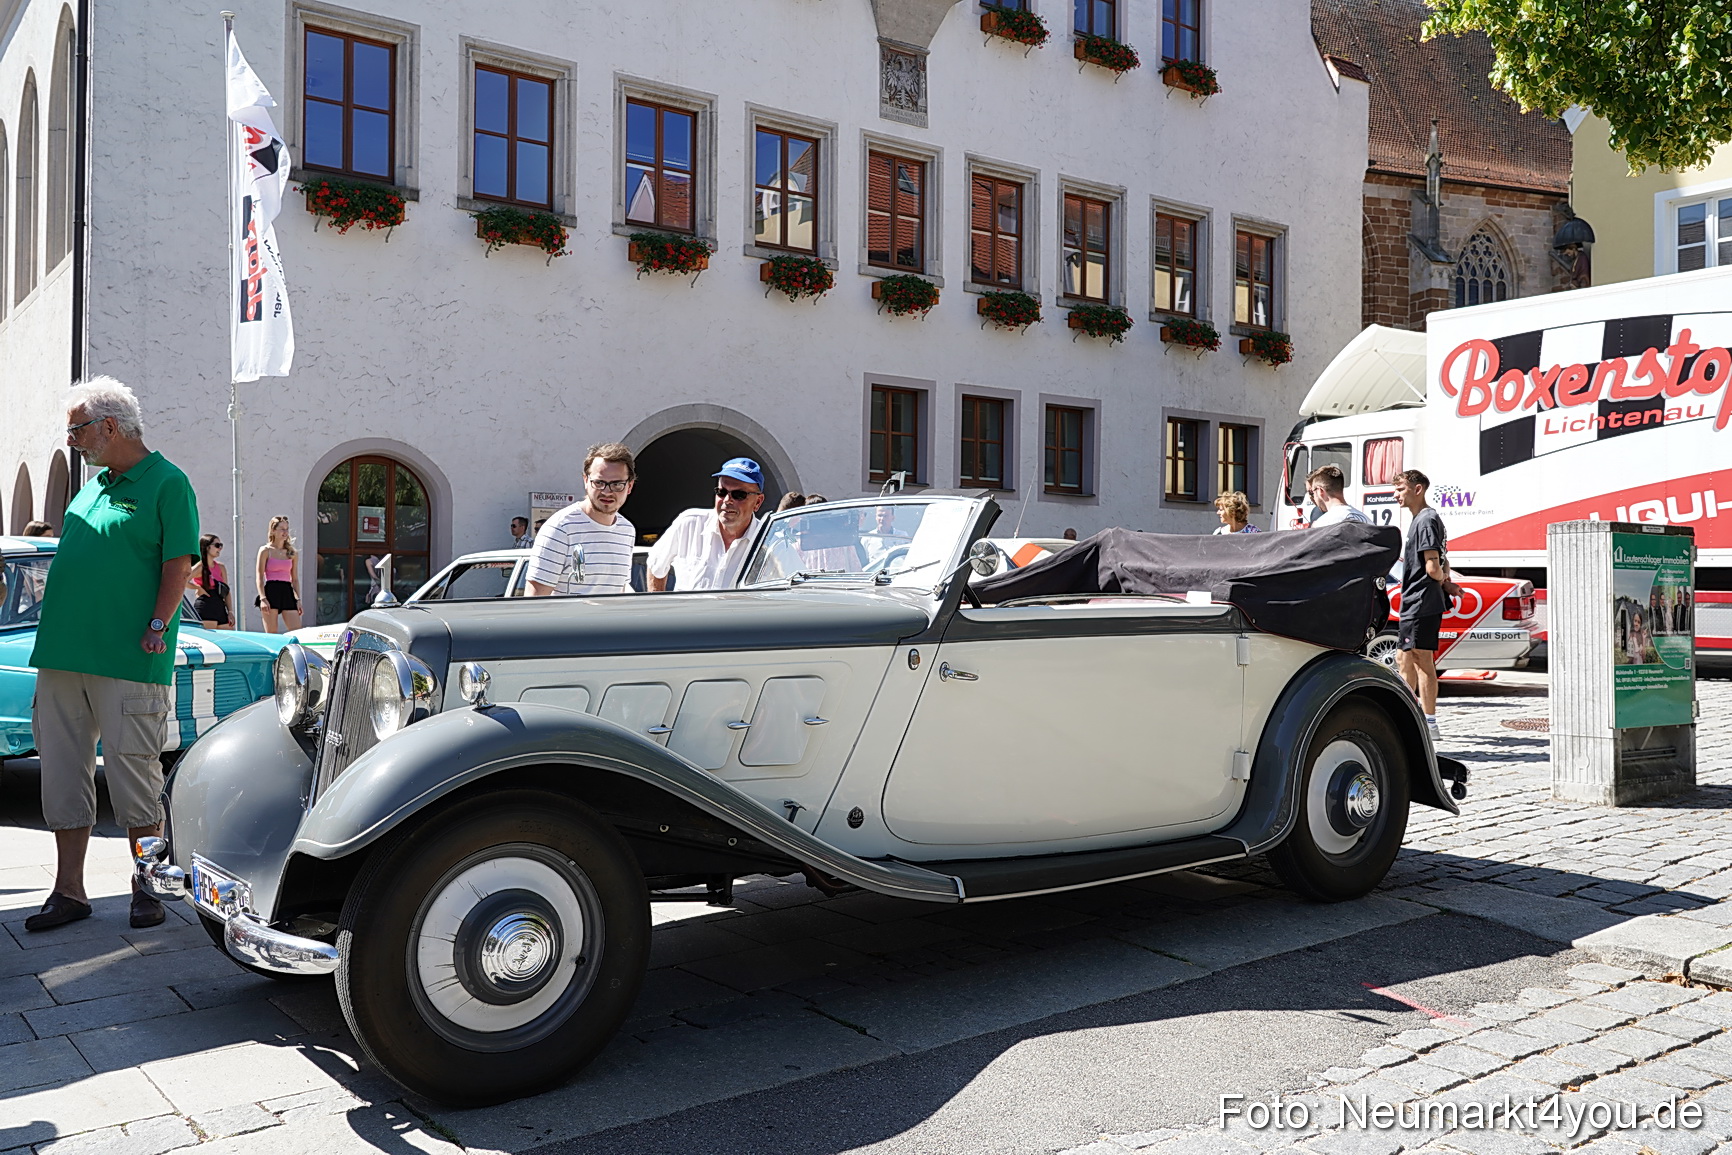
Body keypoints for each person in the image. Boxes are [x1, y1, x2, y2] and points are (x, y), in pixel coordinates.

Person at [25, 377, 199, 932]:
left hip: (128, 655)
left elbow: (179, 562)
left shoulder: (168, 482)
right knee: (62, 774)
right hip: (62, 654)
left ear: (110, 426)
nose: (72, 438)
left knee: (134, 777)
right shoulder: (93, 485)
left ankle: (146, 886)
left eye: (77, 428)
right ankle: (68, 891)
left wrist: (157, 623)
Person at [1393, 469, 1461, 741]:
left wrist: (1444, 581)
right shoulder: (1424, 519)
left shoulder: (1425, 520)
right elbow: (1444, 560)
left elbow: (1433, 565)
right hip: (1417, 600)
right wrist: (1447, 582)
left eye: (1400, 489)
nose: (1395, 494)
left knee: (1421, 659)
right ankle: (1408, 714)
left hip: (1421, 601)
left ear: (1417, 489)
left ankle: (1428, 721)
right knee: (1403, 658)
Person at [526, 443, 637, 596]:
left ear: (629, 486)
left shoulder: (627, 530)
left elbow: (620, 590)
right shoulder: (561, 528)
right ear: (586, 480)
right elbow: (534, 602)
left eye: (617, 484)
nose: (607, 491)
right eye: (599, 482)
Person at [648, 457, 765, 591]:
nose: (727, 500)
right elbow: (655, 567)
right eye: (722, 492)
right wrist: (660, 610)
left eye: (739, 494)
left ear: (758, 502)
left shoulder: (768, 541)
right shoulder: (689, 523)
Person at [255, 515, 302, 633]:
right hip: (271, 591)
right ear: (273, 530)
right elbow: (259, 576)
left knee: (296, 632)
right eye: (282, 529)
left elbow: (295, 579)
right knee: (271, 634)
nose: (285, 532)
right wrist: (263, 598)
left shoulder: (292, 553)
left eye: (287, 529)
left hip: (287, 591)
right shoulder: (265, 550)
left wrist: (298, 600)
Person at [187, 533, 233, 628]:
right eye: (217, 545)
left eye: (221, 545)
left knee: (226, 639)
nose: (219, 548)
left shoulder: (221, 567)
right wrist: (197, 588)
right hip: (206, 606)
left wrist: (230, 612)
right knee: (209, 638)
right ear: (207, 547)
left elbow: (227, 591)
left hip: (220, 607)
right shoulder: (200, 567)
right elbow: (182, 580)